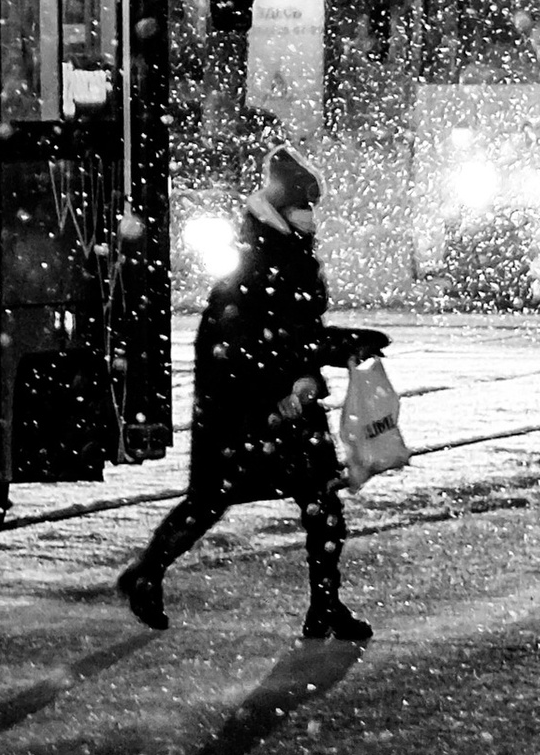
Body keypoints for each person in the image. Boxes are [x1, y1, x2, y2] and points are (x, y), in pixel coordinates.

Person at [116, 141, 388, 642]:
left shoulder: (282, 251)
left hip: (278, 400)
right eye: (303, 207)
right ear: (283, 209)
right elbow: (276, 336)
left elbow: (291, 330)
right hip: (249, 406)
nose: (311, 217)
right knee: (216, 499)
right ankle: (147, 573)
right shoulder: (266, 258)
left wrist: (328, 352)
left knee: (317, 500)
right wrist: (340, 345)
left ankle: (324, 606)